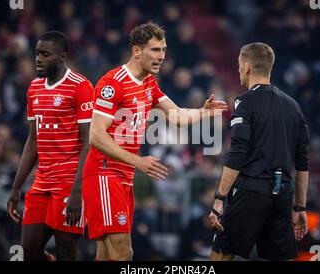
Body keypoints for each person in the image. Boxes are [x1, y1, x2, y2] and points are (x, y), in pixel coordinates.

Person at [82, 21, 228, 261]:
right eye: (155, 50)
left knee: (106, 254)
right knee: (123, 252)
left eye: (163, 50)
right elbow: (96, 135)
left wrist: (203, 112)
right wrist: (137, 161)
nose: (161, 56)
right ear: (136, 51)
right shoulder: (112, 83)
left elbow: (177, 116)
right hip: (104, 174)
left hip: (123, 177)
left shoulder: (149, 83)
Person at [208, 42, 310, 261]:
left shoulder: (244, 102)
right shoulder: (294, 106)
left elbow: (237, 153)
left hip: (251, 190)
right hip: (283, 193)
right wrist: (300, 206)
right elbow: (302, 163)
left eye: (238, 67)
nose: (238, 71)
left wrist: (219, 199)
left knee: (222, 250)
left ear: (246, 67)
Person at [6, 31, 94, 261]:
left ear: (62, 56)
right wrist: (17, 187)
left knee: (66, 251)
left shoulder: (81, 86)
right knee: (27, 252)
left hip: (68, 182)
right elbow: (33, 140)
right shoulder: (34, 88)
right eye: (37, 54)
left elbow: (89, 142)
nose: (38, 59)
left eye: (45, 54)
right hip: (41, 182)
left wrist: (78, 192)